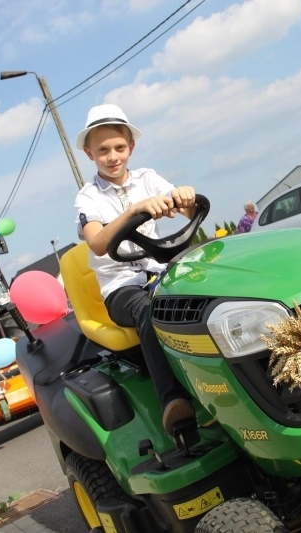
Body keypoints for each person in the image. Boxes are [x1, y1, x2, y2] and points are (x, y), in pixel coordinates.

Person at [74, 103, 196, 437]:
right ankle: (174, 403)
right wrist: (135, 211)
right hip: (122, 288)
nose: (112, 156)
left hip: (162, 272)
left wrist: (186, 197)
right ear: (89, 153)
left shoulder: (148, 179)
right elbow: (98, 243)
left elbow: (188, 210)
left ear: (131, 147)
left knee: (205, 292)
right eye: (103, 150)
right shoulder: (88, 198)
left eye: (119, 148)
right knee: (149, 308)